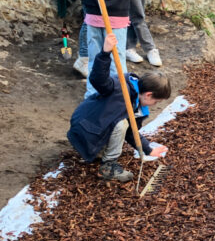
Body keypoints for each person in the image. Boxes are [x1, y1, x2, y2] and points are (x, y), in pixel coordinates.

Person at [67, 33, 170, 182]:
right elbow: (98, 79)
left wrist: (148, 149)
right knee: (121, 123)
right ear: (148, 95)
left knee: (124, 125)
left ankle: (101, 151)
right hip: (85, 129)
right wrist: (105, 53)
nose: (155, 105)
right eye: (156, 101)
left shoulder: (138, 105)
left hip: (95, 129)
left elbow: (131, 133)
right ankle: (108, 167)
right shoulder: (119, 87)